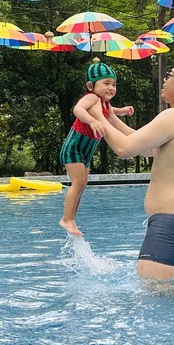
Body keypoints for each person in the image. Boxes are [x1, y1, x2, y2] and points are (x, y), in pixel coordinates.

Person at [92, 58, 174, 280]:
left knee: (153, 301)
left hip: (170, 226)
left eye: (170, 76)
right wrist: (110, 118)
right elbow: (148, 149)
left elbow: (123, 149)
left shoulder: (173, 116)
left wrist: (97, 117)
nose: (164, 80)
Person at [59, 60, 134, 237]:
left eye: (114, 84)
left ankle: (71, 219)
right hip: (74, 147)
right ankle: (66, 219)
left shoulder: (103, 103)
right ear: (90, 86)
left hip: (85, 150)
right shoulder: (91, 97)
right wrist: (92, 120)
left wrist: (121, 111)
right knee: (78, 183)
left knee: (82, 183)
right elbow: (78, 109)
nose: (111, 88)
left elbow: (109, 112)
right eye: (106, 83)